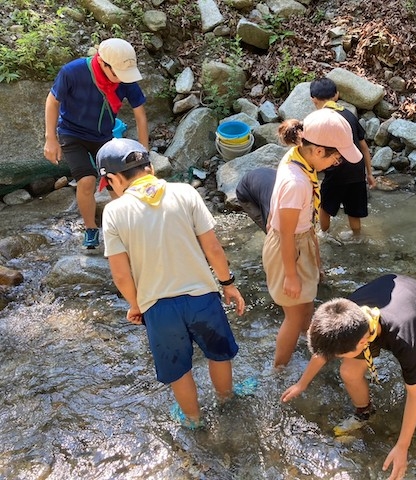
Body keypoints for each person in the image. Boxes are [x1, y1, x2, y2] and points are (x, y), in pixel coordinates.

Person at [97, 138, 244, 429]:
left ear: (112, 179)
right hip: (202, 297)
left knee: (179, 370)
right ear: (149, 167)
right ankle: (227, 401)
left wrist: (136, 305)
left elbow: (121, 275)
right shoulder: (185, 192)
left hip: (158, 308)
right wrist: (228, 284)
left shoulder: (114, 212)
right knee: (219, 354)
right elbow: (213, 248)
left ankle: (193, 421)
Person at [281, 273, 416, 480]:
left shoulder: (405, 338)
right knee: (348, 371)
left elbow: (413, 394)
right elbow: (324, 351)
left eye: (340, 355)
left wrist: (402, 446)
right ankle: (365, 412)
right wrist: (302, 383)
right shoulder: (346, 317)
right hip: (380, 314)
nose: (335, 358)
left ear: (362, 344)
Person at [264, 108, 362, 367]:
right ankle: (280, 370)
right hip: (290, 247)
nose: (336, 163)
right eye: (336, 158)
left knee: (306, 307)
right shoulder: (297, 183)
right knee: (294, 317)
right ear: (319, 151)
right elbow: (285, 232)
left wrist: (315, 259)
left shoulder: (298, 156)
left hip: (301, 240)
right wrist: (291, 274)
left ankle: (310, 351)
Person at [44, 38, 149, 249]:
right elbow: (52, 101)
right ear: (103, 63)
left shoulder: (125, 78)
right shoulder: (73, 72)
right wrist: (51, 138)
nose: (121, 79)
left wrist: (143, 151)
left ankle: (126, 225)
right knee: (87, 181)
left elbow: (140, 116)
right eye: (117, 73)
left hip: (103, 136)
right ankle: (91, 229)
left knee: (119, 180)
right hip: (72, 134)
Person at [309, 78, 375, 235]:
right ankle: (357, 237)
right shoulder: (350, 116)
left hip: (335, 172)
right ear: (337, 95)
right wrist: (370, 174)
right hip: (357, 170)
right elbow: (364, 148)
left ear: (314, 100)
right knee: (354, 211)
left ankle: (324, 235)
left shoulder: (320, 120)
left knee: (324, 207)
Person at [235, 167, 276, 234]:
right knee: (272, 232)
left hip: (262, 180)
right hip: (245, 193)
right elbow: (270, 227)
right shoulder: (272, 206)